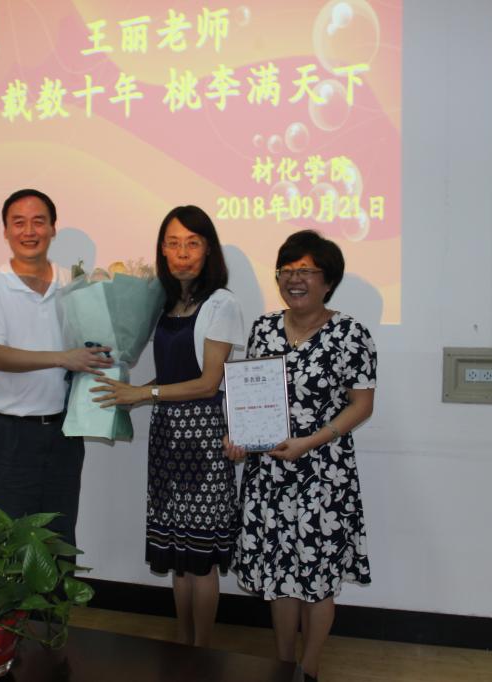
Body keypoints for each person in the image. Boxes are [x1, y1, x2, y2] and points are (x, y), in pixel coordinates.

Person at [225, 230, 376, 682]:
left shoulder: (350, 333)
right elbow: (249, 396)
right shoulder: (264, 328)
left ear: (328, 281)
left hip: (323, 476)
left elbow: (362, 405)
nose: (294, 279)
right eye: (287, 271)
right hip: (269, 474)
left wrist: (309, 442)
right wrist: (238, 435)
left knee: (317, 578)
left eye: (306, 271)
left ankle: (309, 668)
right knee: (279, 577)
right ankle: (283, 663)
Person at [92, 205, 245, 647]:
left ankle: (202, 650)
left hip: (203, 438)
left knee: (202, 560)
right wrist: (130, 389)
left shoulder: (222, 303)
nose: (182, 253)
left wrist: (142, 395)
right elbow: (171, 375)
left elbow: (208, 382)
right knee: (179, 556)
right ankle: (183, 645)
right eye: (174, 243)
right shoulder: (166, 302)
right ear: (162, 249)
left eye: (192, 244)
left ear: (208, 249)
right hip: (166, 436)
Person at [0, 188, 113, 548]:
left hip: (64, 434)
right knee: (11, 543)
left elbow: (95, 343)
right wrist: (63, 358)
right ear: (5, 231)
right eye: (19, 223)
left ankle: (58, 591)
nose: (29, 231)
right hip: (9, 435)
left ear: (52, 228)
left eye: (38, 222)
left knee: (59, 540)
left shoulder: (73, 283)